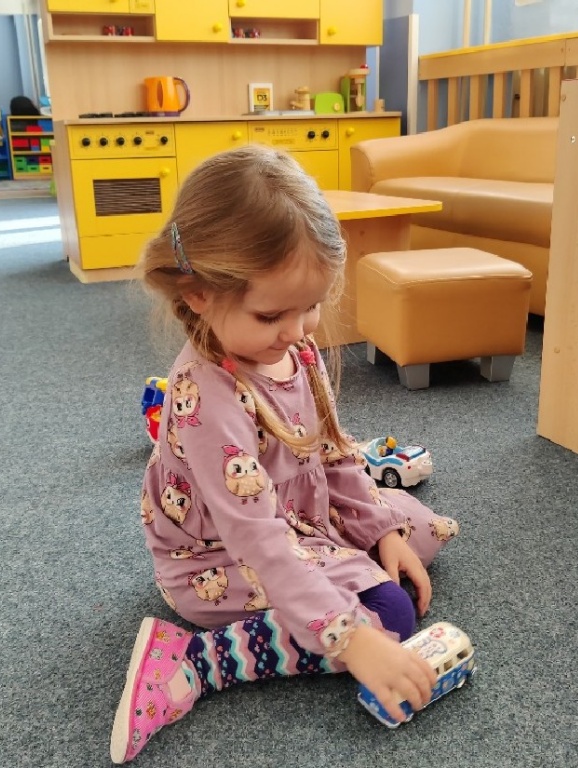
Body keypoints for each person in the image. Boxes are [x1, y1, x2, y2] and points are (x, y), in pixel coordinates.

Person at [110, 145, 461, 764]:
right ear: (198, 294)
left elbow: (335, 452)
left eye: (312, 307)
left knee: (418, 534)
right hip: (220, 560)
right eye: (273, 313)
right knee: (388, 617)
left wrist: (380, 530)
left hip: (301, 516)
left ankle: (354, 562)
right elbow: (259, 541)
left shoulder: (292, 347)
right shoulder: (206, 397)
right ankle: (196, 661)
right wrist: (350, 639)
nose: (299, 331)